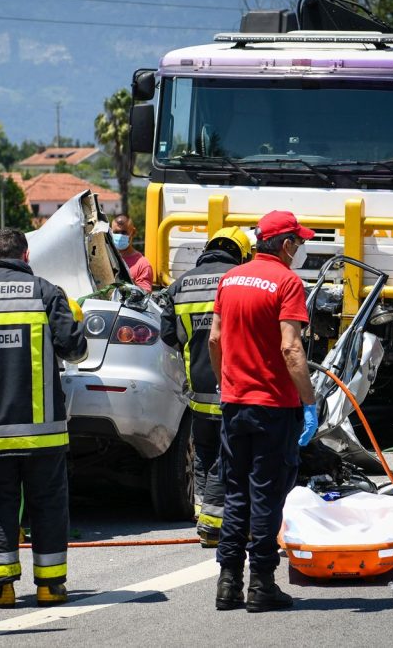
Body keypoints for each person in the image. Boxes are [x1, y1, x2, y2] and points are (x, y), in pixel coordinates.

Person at [0, 229, 88, 608]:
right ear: (26, 253)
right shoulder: (45, 291)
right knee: (47, 505)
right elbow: (74, 349)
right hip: (42, 433)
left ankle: (1, 588)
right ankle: (50, 587)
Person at [207, 210, 318, 612]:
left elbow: (215, 339)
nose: (300, 250)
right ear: (286, 245)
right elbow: (291, 348)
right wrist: (309, 401)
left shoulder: (230, 278)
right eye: (299, 243)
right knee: (267, 495)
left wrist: (226, 383)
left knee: (236, 494)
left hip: (235, 405)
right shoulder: (288, 282)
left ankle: (227, 583)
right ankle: (262, 585)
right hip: (273, 406)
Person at [161, 227, 253, 547]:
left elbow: (168, 337)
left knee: (204, 452)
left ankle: (203, 514)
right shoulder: (240, 280)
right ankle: (214, 525)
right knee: (228, 457)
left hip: (198, 389)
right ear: (241, 253)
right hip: (234, 387)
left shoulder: (180, 285)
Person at [111, 214, 153, 291]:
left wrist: (128, 282)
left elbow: (144, 296)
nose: (120, 236)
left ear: (133, 232)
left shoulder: (143, 265)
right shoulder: (106, 258)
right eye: (116, 232)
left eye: (124, 232)